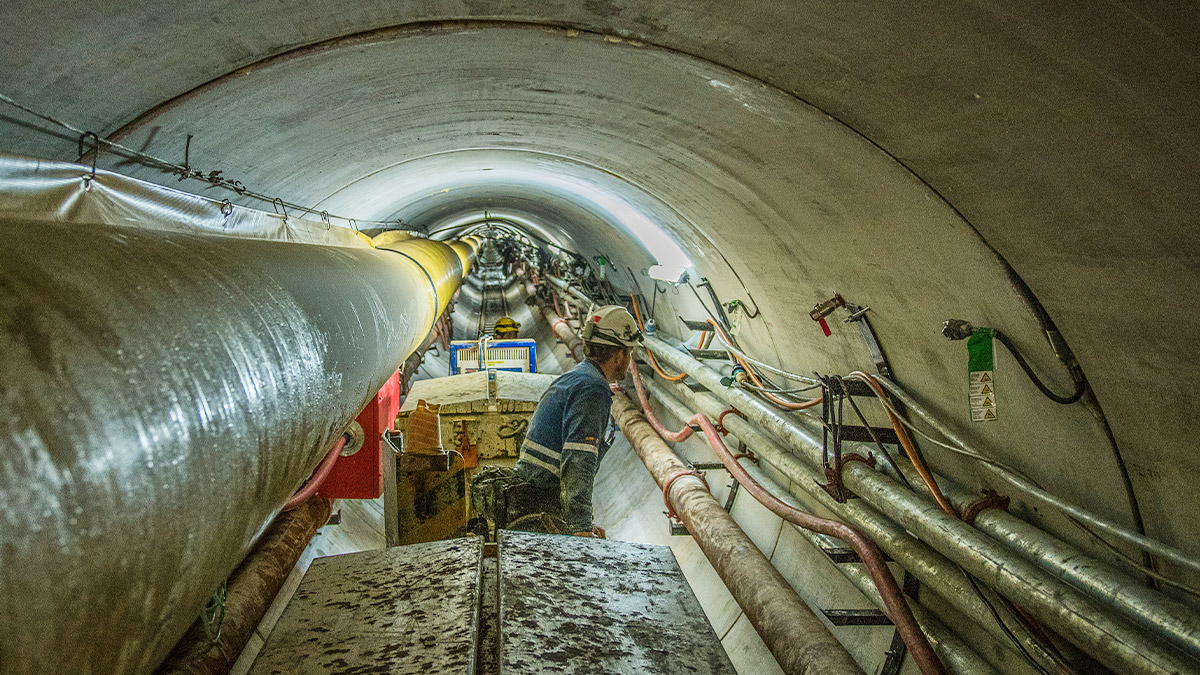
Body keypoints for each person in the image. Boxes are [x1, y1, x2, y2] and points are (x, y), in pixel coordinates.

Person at [511, 305, 641, 537]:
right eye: (629, 351)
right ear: (619, 353)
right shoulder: (592, 389)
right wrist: (580, 528)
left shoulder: (578, 377)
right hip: (538, 507)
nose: (629, 358)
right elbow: (578, 460)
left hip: (529, 498)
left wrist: (580, 523)